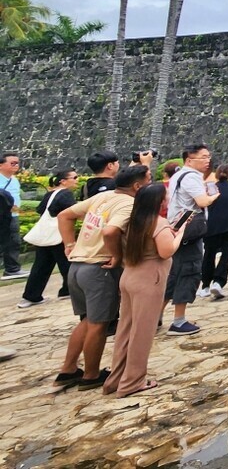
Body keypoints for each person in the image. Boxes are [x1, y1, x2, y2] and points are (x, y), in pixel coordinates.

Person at [54, 163, 148, 390]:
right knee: (99, 324)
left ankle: (68, 369)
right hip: (98, 269)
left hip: (77, 266)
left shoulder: (101, 198)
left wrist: (69, 244)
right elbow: (110, 231)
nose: (150, 183)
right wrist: (116, 256)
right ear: (137, 186)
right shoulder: (129, 203)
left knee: (87, 320)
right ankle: (91, 375)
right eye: (148, 179)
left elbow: (65, 215)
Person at [104, 182, 185, 397]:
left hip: (129, 275)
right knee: (142, 333)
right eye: (165, 197)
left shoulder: (134, 222)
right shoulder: (158, 223)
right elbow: (167, 251)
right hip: (149, 280)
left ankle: (116, 379)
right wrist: (180, 233)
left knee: (126, 330)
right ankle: (132, 382)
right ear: (159, 202)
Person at [163, 143, 218, 336]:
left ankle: (155, 317)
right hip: (189, 233)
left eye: (208, 156)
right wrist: (213, 196)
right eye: (203, 157)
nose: (207, 160)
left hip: (176, 230)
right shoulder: (192, 177)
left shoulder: (177, 174)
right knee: (189, 272)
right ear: (189, 159)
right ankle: (178, 321)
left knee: (174, 273)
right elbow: (202, 202)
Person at [18, 168, 79, 307]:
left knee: (41, 266)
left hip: (46, 235)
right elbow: (72, 212)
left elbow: (41, 210)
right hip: (59, 234)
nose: (76, 180)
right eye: (74, 178)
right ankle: (68, 290)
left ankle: (31, 296)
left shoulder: (50, 194)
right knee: (67, 263)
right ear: (63, 181)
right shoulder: (65, 194)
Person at [198, 164, 228, 299]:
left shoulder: (209, 189)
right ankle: (218, 281)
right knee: (226, 254)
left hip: (213, 225)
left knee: (209, 254)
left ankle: (205, 285)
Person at [0, 152, 26, 278]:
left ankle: (12, 269)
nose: (16, 165)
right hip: (1, 216)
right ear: (1, 165)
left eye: (17, 163)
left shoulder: (14, 180)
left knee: (14, 242)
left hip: (13, 216)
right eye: (12, 163)